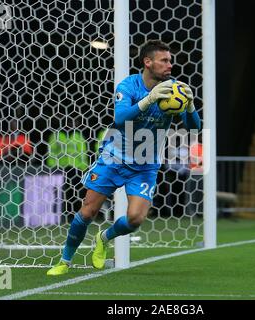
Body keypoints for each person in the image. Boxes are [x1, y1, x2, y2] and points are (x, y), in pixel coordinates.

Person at [47, 40, 201, 275]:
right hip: (114, 158)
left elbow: (193, 129)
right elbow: (120, 119)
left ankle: (104, 237)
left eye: (170, 60)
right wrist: (148, 99)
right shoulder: (129, 85)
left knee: (135, 219)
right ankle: (64, 261)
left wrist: (189, 106)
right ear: (148, 62)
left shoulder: (173, 90)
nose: (170, 64)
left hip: (145, 165)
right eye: (165, 60)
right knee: (88, 211)